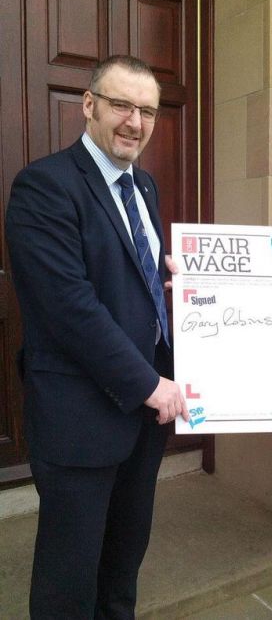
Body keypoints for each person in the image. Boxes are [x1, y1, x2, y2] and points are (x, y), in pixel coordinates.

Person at [6, 54, 189, 619]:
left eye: (148, 111)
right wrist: (150, 386)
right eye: (121, 105)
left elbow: (126, 278)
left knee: (122, 565)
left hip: (142, 418)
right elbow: (69, 308)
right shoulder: (44, 186)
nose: (135, 122)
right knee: (70, 577)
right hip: (80, 416)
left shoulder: (146, 187)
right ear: (89, 105)